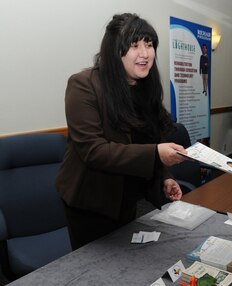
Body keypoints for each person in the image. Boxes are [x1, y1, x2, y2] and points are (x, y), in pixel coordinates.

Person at [56, 13, 187, 250]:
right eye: (134, 45)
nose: (145, 53)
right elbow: (94, 151)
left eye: (149, 44)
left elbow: (154, 138)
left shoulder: (146, 86)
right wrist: (156, 154)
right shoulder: (83, 85)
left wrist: (165, 175)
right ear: (115, 50)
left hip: (130, 198)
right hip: (92, 202)